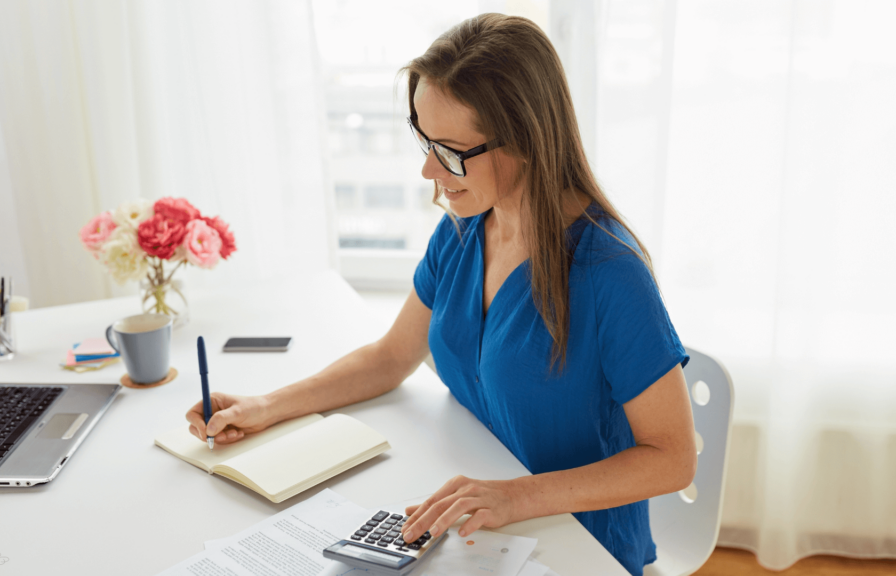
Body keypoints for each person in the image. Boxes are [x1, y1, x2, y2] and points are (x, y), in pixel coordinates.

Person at [186, 14, 696, 575]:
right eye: (424, 140)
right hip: (477, 524)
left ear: (525, 140)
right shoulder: (465, 228)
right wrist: (265, 407)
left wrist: (515, 497)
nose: (429, 168)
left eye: (450, 150)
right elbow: (391, 356)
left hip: (575, 543)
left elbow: (672, 459)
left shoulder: (608, 272)